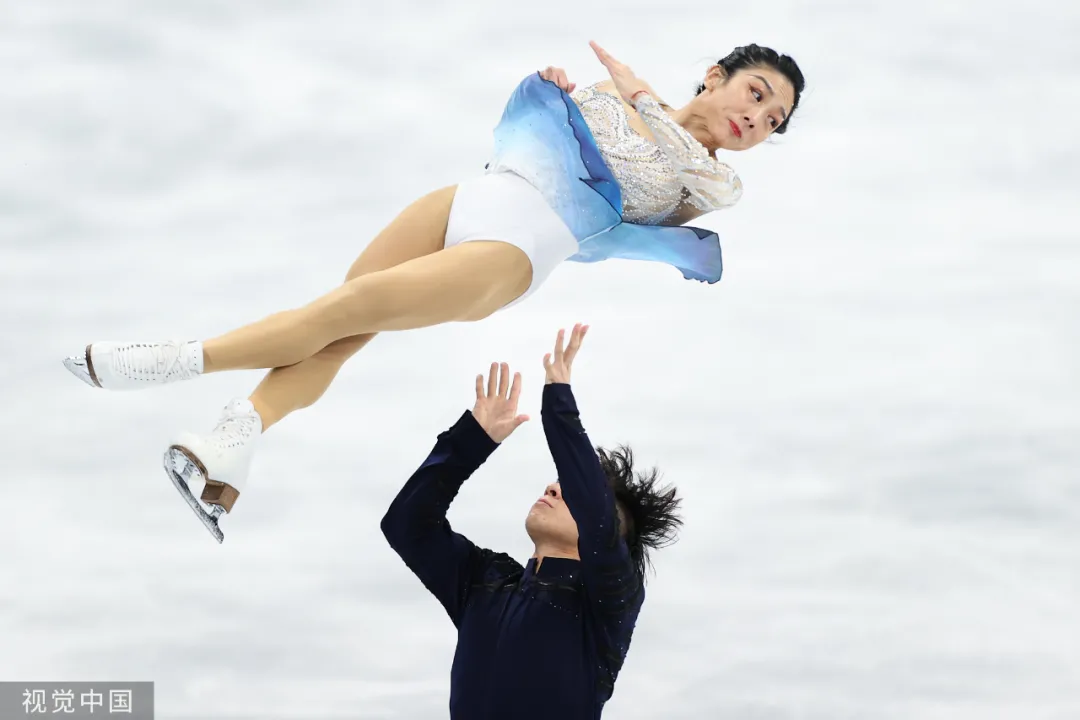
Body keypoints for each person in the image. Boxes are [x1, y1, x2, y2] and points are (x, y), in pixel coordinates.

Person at [61, 41, 804, 537]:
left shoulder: (714, 184)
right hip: (472, 197)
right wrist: (557, 93)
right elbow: (556, 132)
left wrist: (639, 91)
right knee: (341, 330)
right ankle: (231, 445)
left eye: (773, 120)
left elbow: (671, 151)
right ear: (716, 74)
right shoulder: (613, 89)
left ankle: (169, 361)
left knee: (341, 311)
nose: (756, 118)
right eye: (756, 92)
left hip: (514, 251)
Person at [381, 324, 683, 719]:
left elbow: (595, 513)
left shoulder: (608, 603)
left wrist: (558, 403)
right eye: (557, 482)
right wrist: (471, 441)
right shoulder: (484, 582)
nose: (554, 488)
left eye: (570, 490)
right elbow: (406, 525)